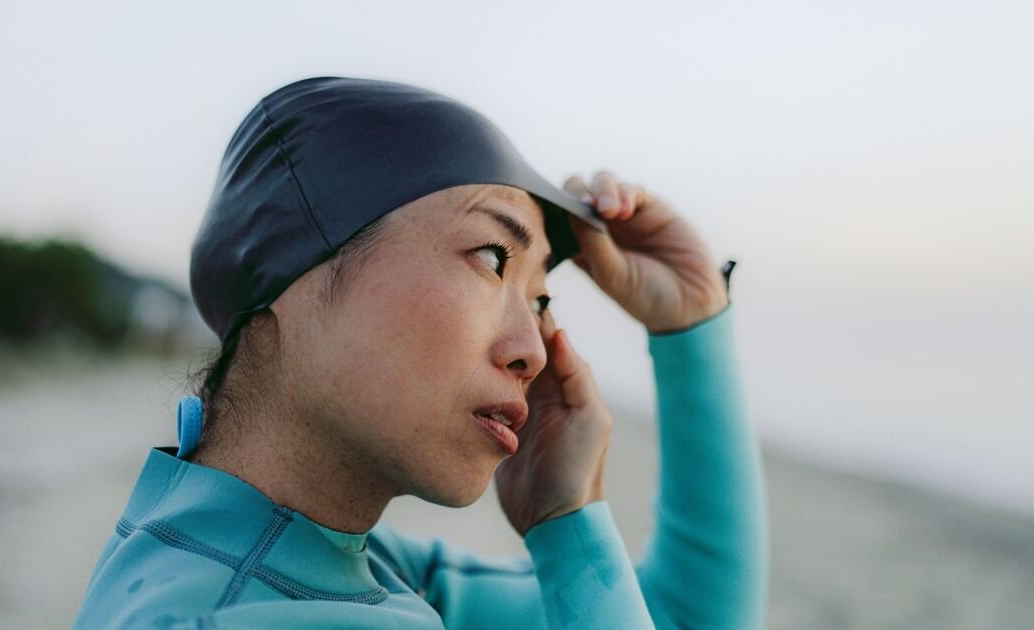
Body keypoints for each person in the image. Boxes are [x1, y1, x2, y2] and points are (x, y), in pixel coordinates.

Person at [72, 76, 767, 629]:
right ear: (295, 262)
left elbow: (677, 618)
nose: (533, 351)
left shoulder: (340, 559)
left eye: (542, 301)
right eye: (493, 258)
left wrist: (690, 327)